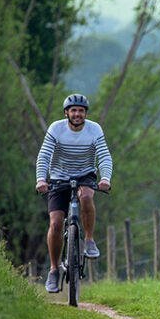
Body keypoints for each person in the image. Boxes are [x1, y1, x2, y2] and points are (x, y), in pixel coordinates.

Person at [36, 93, 112, 293]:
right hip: (58, 177)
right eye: (74, 110)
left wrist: (105, 179)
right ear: (66, 113)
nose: (77, 114)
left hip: (85, 175)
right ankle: (54, 270)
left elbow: (104, 156)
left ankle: (88, 239)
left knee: (86, 196)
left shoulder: (94, 129)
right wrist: (41, 180)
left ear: (85, 113)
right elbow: (44, 155)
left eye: (81, 111)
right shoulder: (56, 128)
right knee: (55, 222)